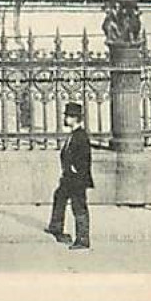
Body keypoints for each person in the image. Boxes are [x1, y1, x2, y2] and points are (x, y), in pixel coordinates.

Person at [45, 101, 93, 250]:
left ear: (75, 118)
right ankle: (56, 227)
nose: (65, 119)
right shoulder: (74, 135)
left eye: (67, 116)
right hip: (68, 178)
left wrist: (75, 171)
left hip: (76, 179)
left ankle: (83, 240)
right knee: (59, 197)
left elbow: (84, 159)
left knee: (79, 207)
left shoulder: (81, 136)